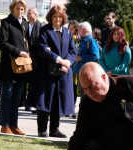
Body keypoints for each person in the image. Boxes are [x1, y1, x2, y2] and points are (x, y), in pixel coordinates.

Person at [28, 4, 77, 138]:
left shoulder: (67, 32)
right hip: (46, 72)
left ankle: (54, 130)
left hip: (63, 73)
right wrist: (59, 59)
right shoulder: (45, 30)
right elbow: (42, 49)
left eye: (60, 17)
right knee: (45, 101)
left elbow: (73, 51)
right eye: (55, 16)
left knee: (58, 101)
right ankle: (42, 129)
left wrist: (68, 62)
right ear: (51, 17)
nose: (57, 19)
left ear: (63, 18)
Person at [0, 0, 29, 135]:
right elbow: (1, 43)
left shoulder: (25, 24)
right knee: (6, 96)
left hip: (22, 67)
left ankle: (14, 125)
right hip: (8, 66)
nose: (20, 11)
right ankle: (5, 125)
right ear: (12, 9)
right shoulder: (6, 22)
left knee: (17, 98)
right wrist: (18, 51)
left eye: (22, 9)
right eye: (18, 9)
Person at [21, 7, 42, 112]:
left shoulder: (40, 26)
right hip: (26, 56)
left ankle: (31, 104)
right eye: (28, 13)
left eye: (30, 13)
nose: (28, 15)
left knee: (34, 82)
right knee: (25, 80)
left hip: (37, 58)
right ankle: (24, 102)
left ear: (36, 14)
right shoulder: (25, 25)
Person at [72, 22, 100, 99]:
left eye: (79, 29)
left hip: (87, 73)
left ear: (84, 30)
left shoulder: (91, 41)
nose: (78, 31)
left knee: (86, 94)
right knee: (82, 93)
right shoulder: (83, 41)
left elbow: (95, 55)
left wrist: (81, 58)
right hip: (80, 71)